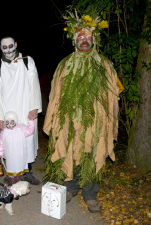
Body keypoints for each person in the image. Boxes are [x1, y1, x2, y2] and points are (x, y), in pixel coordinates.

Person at [43, 11, 124, 213]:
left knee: (92, 153)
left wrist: (109, 117)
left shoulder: (105, 64)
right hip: (69, 119)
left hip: (94, 120)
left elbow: (114, 94)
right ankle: (70, 188)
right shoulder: (64, 65)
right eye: (80, 36)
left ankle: (90, 194)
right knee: (70, 151)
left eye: (88, 37)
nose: (84, 40)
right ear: (74, 40)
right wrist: (55, 118)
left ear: (94, 39)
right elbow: (55, 94)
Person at [0, 36, 42, 185]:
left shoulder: (27, 61)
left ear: (16, 45)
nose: (8, 50)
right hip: (8, 112)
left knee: (27, 140)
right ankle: (12, 173)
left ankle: (27, 172)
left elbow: (34, 84)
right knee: (10, 143)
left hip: (26, 108)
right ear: (0, 48)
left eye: (10, 46)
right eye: (4, 47)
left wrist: (34, 106)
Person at [0, 111, 35, 186]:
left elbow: (30, 130)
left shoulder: (21, 129)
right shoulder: (4, 132)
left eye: (12, 122)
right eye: (7, 123)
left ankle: (18, 182)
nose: (9, 125)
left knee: (19, 168)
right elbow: (0, 142)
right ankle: (11, 183)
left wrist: (31, 121)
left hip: (20, 155)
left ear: (15, 121)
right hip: (10, 156)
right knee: (11, 169)